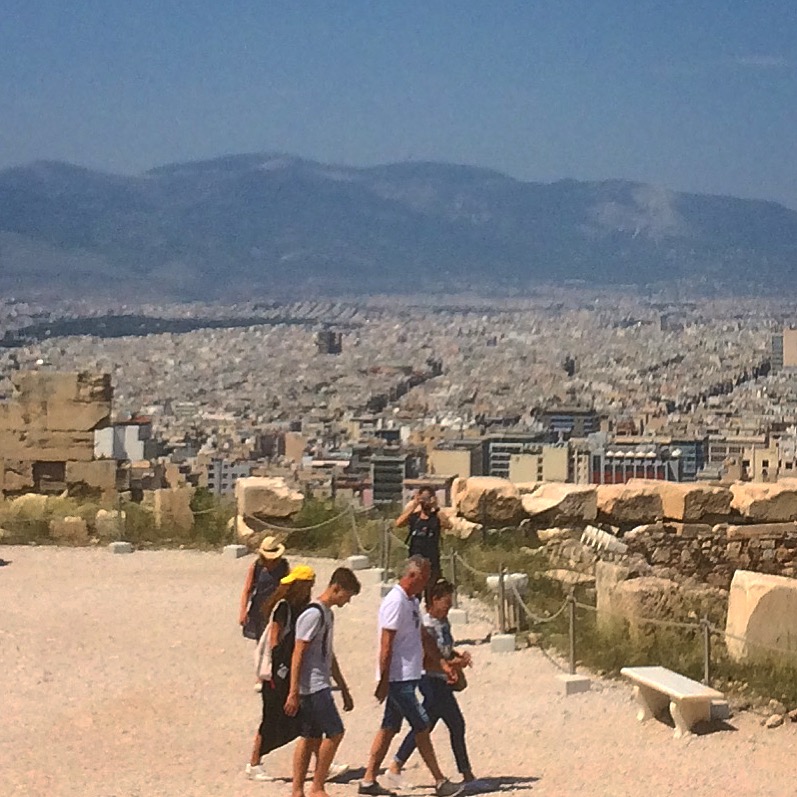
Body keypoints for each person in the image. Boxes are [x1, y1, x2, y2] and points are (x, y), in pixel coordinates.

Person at [360, 555, 463, 797]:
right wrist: (383, 680)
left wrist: (443, 664)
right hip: (398, 678)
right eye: (424, 577)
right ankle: (440, 781)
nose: (426, 583)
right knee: (422, 725)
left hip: (407, 676)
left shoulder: (411, 601)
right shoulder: (395, 602)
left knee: (389, 728)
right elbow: (386, 644)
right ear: (413, 575)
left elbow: (423, 637)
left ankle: (368, 780)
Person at [387, 579, 474, 787]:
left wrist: (458, 657)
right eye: (446, 603)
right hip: (430, 680)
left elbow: (444, 651)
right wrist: (453, 664)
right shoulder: (426, 625)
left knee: (424, 726)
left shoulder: (444, 623)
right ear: (434, 600)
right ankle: (466, 774)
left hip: (441, 679)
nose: (448, 608)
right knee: (454, 723)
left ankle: (396, 765)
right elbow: (427, 659)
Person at [285, 567, 362, 797]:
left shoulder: (327, 614)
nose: (347, 601)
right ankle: (317, 786)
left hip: (319, 683)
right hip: (313, 685)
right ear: (336, 588)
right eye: (347, 595)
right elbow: (298, 652)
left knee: (310, 737)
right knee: (335, 732)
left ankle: (298, 790)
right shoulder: (313, 614)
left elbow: (329, 654)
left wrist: (343, 687)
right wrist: (293, 691)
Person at [246, 563, 315, 781]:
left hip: (290, 671)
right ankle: (254, 763)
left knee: (308, 717)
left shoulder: (302, 607)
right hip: (278, 674)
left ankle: (323, 761)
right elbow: (275, 640)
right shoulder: (284, 608)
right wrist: (279, 673)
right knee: (271, 717)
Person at [396, 488, 451, 604]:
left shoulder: (436, 517)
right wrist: (414, 504)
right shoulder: (414, 517)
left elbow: (448, 525)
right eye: (423, 498)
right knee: (413, 594)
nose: (425, 501)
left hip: (432, 561)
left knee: (431, 593)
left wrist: (436, 507)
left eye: (428, 498)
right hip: (415, 561)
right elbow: (398, 523)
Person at [239, 535, 290, 643]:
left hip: (276, 607)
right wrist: (243, 611)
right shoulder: (257, 566)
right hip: (259, 607)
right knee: (261, 640)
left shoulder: (284, 566)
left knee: (275, 640)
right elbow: (248, 589)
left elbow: (288, 588)